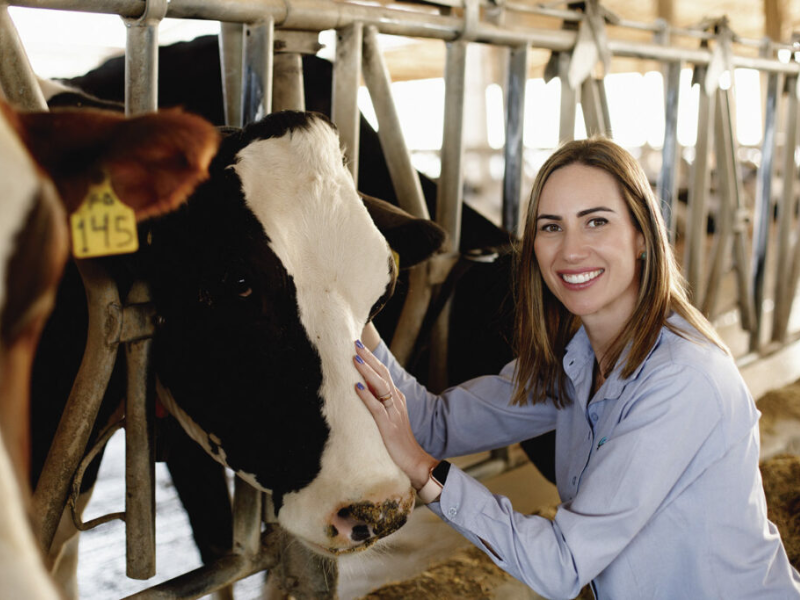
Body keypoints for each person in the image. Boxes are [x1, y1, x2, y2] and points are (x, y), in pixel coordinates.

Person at [352, 137, 800, 599]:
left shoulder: (681, 379)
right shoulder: (578, 358)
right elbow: (433, 423)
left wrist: (426, 471)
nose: (570, 251)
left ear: (643, 236)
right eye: (551, 227)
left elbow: (562, 565)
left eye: (596, 222)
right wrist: (350, 313)